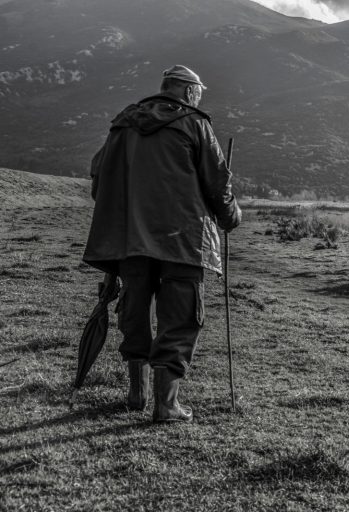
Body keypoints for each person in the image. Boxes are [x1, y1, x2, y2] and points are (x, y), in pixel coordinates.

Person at [83, 65, 241, 423]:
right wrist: (231, 217)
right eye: (198, 90)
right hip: (183, 240)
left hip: (130, 237)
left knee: (134, 310)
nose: (199, 96)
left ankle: (136, 393)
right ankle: (166, 404)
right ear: (187, 91)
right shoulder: (194, 123)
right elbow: (218, 183)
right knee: (180, 317)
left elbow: (98, 174)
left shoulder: (123, 124)